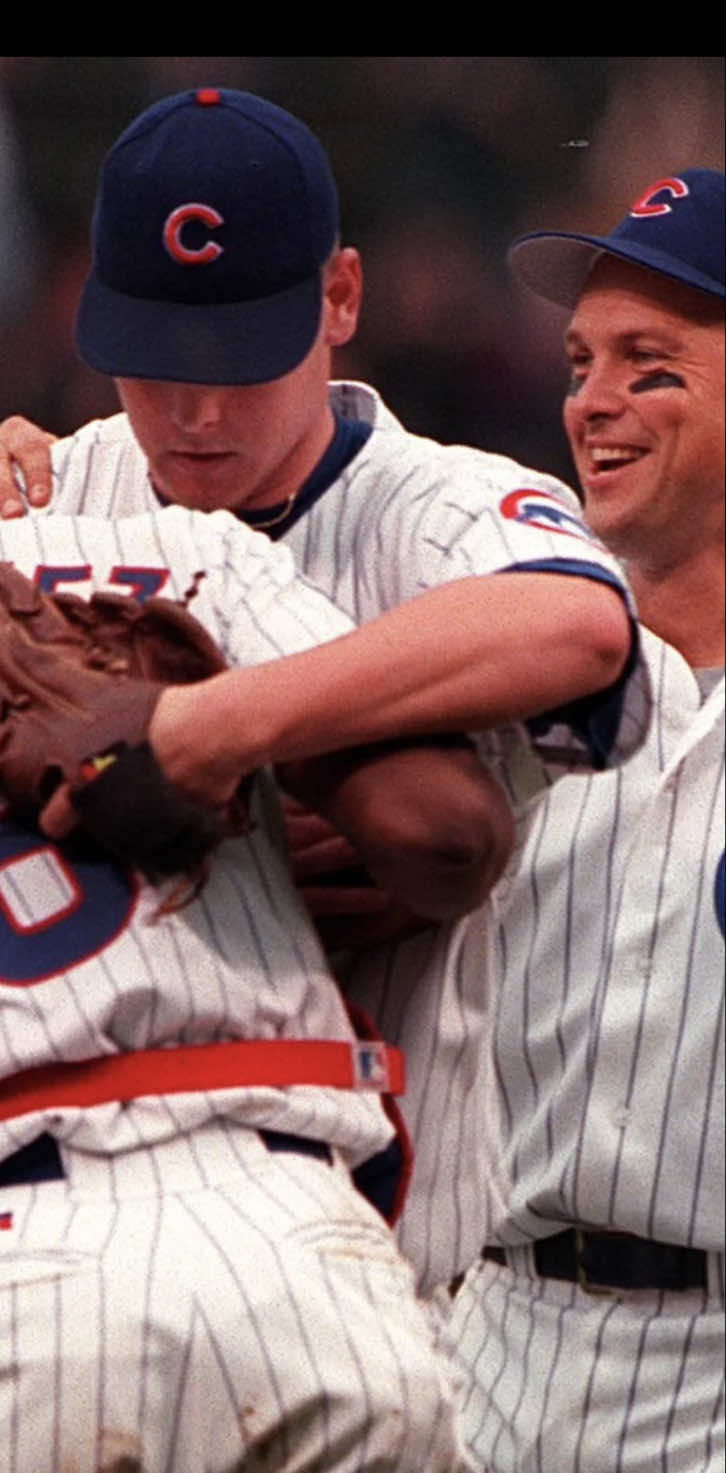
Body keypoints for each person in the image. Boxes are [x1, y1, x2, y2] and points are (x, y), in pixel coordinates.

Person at [0, 361, 535, 1472]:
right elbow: (449, 837)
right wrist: (218, 778)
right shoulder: (173, 549)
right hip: (312, 1267)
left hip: (3, 1281)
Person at [0, 85, 654, 1294]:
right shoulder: (44, 497)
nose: (199, 411)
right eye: (159, 363)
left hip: (386, 1269)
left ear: (341, 298)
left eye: (240, 361)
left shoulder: (437, 502)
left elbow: (576, 622)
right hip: (87, 1258)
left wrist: (208, 736)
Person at [442, 169, 724, 1473]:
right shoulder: (487, 640)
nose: (590, 402)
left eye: (645, 363)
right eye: (577, 362)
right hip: (483, 1331)